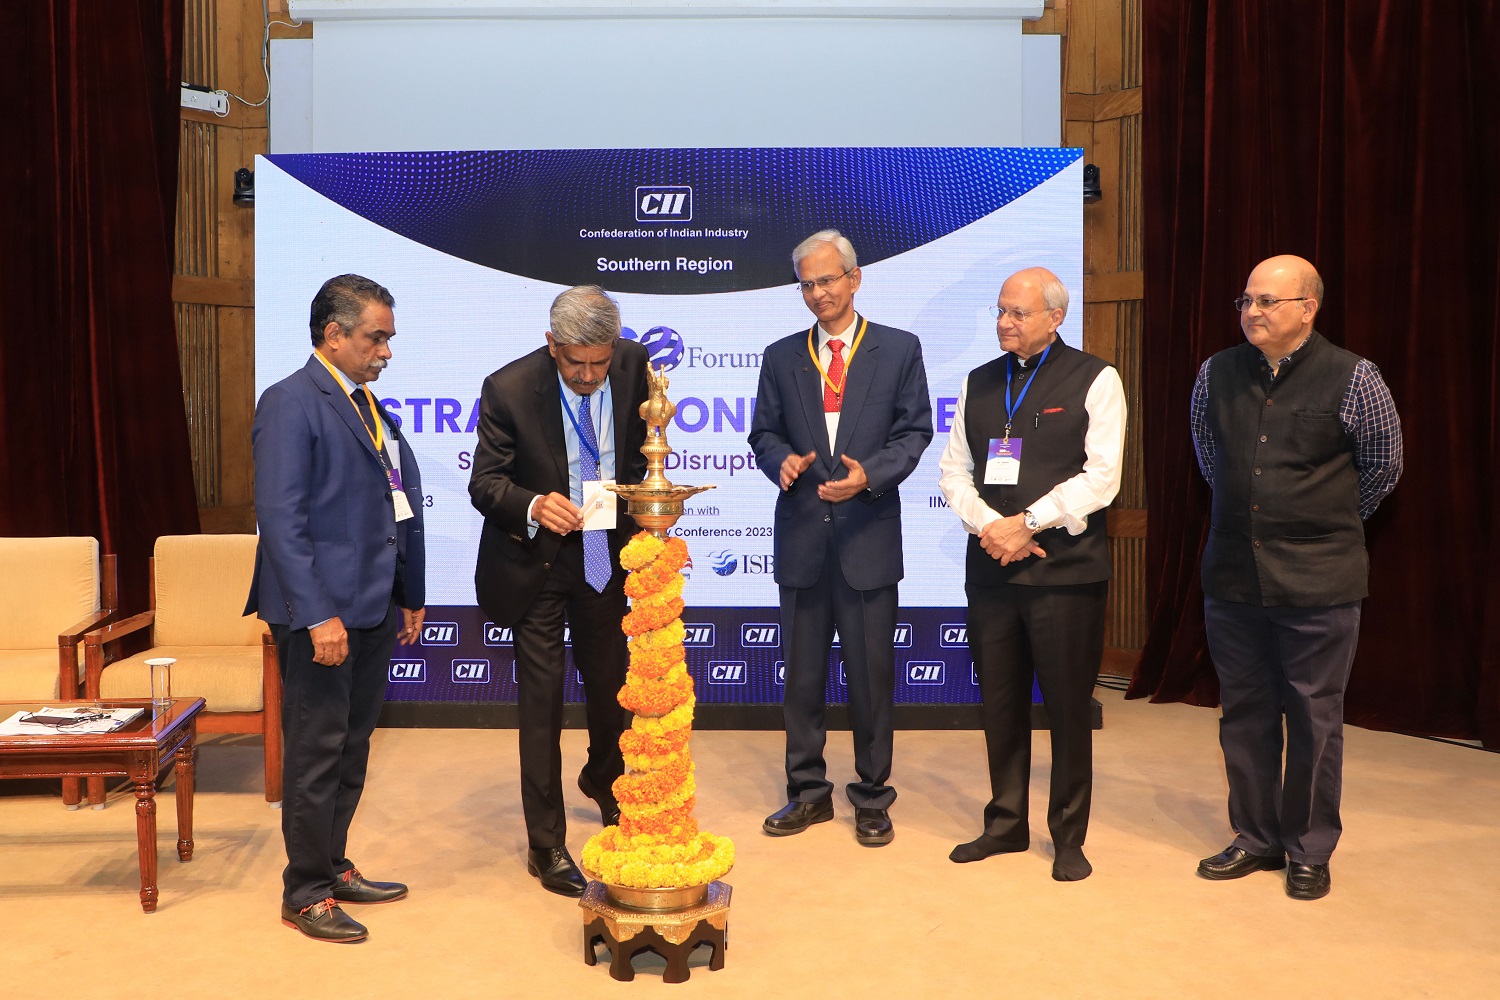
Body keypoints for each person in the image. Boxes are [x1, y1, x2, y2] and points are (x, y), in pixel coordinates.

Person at [1191, 254, 1402, 900]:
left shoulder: (1356, 377)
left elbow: (1382, 470)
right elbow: (1209, 456)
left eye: (1267, 302)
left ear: (1308, 308)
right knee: (1246, 714)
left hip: (1320, 584)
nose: (1251, 312)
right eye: (1246, 301)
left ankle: (1309, 847)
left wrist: (1320, 523)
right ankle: (1255, 836)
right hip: (1232, 579)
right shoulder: (1215, 374)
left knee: (1314, 716)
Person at [247, 274, 427, 943]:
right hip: (322, 613)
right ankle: (305, 892)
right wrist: (317, 614)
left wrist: (410, 592)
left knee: (352, 748)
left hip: (374, 607)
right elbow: (282, 522)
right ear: (334, 334)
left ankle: (333, 864)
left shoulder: (367, 407)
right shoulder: (293, 403)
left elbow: (394, 506)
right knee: (317, 752)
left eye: (387, 338)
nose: (385, 351)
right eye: (375, 337)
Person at [937, 267, 1125, 882]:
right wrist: (993, 526)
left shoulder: (1097, 378)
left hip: (1064, 576)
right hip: (992, 567)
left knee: (1069, 708)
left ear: (1054, 318)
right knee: (1001, 703)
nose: (1003, 323)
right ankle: (1005, 823)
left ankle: (1068, 834)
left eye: (1017, 313)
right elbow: (953, 472)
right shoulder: (980, 381)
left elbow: (1102, 478)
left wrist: (1029, 523)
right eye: (999, 311)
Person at [748, 229, 933, 847]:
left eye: (829, 280)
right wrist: (782, 462)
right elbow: (763, 434)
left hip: (867, 540)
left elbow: (914, 433)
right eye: (808, 284)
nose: (819, 293)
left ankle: (873, 797)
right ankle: (807, 793)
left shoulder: (899, 350)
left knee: (871, 679)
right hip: (802, 540)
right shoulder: (780, 356)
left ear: (855, 279)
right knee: (800, 679)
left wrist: (869, 478)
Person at [469, 285, 648, 896]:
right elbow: (485, 483)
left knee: (612, 690)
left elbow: (643, 455)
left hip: (605, 558)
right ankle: (544, 843)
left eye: (601, 362)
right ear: (552, 346)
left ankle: (606, 783)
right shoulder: (509, 388)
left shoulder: (635, 366)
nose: (592, 375)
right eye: (577, 364)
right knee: (541, 708)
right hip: (536, 565)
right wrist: (533, 504)